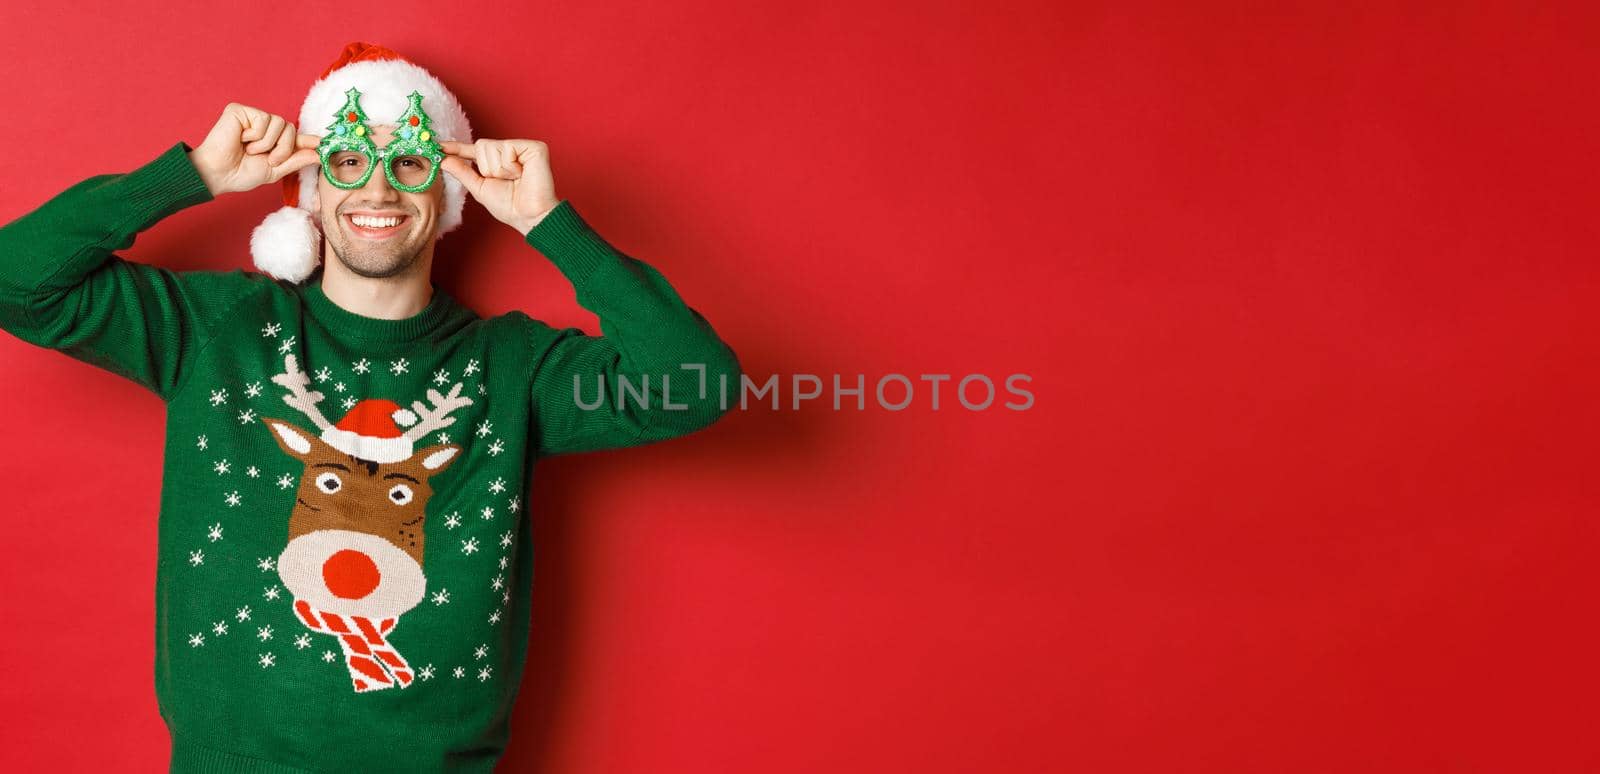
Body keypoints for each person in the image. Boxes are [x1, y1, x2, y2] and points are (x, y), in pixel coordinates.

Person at [0, 42, 740, 773]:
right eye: (349, 161)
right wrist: (191, 176)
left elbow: (698, 384)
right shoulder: (216, 328)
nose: (378, 192)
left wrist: (548, 222)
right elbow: (17, 282)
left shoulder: (513, 370)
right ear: (313, 188)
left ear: (447, 193)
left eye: (410, 163)